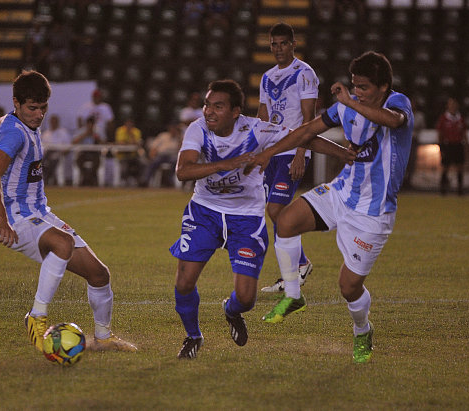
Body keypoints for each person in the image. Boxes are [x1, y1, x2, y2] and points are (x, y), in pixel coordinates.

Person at [245, 51, 414, 363]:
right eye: (354, 85)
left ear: (383, 86)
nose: (357, 91)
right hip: (341, 191)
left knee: (349, 288)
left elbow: (392, 121)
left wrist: (349, 101)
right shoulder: (346, 108)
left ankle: (362, 330)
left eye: (363, 87)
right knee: (286, 221)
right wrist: (269, 152)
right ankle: (294, 296)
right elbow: (307, 132)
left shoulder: (397, 103)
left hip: (372, 213)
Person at [170, 79, 354, 359]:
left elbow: (303, 136)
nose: (208, 111)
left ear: (235, 112)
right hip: (205, 211)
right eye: (207, 105)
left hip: (245, 218)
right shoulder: (198, 129)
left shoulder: (255, 129)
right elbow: (183, 171)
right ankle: (193, 336)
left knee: (246, 298)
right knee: (184, 282)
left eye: (217, 106)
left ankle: (230, 312)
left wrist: (344, 153)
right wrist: (225, 164)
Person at [0, 70, 136, 353]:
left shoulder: (17, 119)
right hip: (17, 218)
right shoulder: (14, 135)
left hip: (40, 213)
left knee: (99, 275)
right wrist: (2, 222)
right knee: (62, 243)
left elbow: (1, 119)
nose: (39, 114)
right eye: (32, 108)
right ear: (17, 102)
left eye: (43, 108)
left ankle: (103, 337)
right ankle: (37, 317)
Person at [257, 23, 318, 294]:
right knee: (275, 211)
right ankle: (296, 268)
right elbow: (263, 116)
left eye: (283, 43)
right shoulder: (267, 77)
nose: (278, 48)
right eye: (274, 44)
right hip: (272, 151)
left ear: (293, 44)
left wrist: (301, 153)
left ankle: (298, 267)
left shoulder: (304, 73)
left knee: (275, 210)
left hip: (293, 151)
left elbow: (309, 118)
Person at [436, 97, 467, 195]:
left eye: (454, 104)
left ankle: (460, 189)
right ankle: (443, 189)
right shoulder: (444, 118)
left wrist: (466, 145)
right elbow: (440, 133)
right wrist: (441, 146)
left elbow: (464, 133)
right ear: (447, 106)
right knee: (445, 167)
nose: (453, 106)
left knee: (460, 167)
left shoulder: (460, 118)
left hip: (458, 144)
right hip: (447, 145)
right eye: (451, 104)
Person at [142, 122, 182, 187]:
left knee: (175, 162)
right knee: (154, 162)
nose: (173, 130)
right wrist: (152, 154)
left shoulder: (179, 138)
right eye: (172, 128)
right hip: (161, 154)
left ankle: (169, 181)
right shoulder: (163, 135)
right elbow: (154, 146)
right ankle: (145, 180)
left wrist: (179, 138)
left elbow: (181, 150)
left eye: (175, 129)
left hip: (172, 156)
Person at [41, 114, 71, 185]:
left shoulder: (63, 133)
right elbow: (42, 148)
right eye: (52, 121)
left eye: (55, 121)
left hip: (59, 155)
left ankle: (56, 182)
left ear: (58, 122)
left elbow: (68, 147)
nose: (53, 123)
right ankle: (45, 181)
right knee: (44, 162)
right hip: (47, 155)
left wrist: (60, 153)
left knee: (54, 159)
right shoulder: (45, 134)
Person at [72, 115, 103, 186]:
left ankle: (89, 179)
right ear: (86, 124)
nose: (90, 126)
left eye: (91, 124)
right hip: (83, 152)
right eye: (88, 124)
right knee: (79, 161)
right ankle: (86, 178)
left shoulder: (97, 131)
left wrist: (96, 137)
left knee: (96, 163)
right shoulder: (81, 130)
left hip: (94, 152)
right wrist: (85, 135)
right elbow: (73, 142)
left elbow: (103, 143)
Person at [114, 119, 144, 186]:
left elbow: (137, 143)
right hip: (122, 155)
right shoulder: (120, 130)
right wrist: (129, 142)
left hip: (133, 155)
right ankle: (124, 180)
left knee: (143, 163)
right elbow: (120, 143)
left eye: (130, 123)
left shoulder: (136, 131)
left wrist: (131, 134)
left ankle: (139, 181)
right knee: (124, 165)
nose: (129, 125)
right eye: (127, 123)